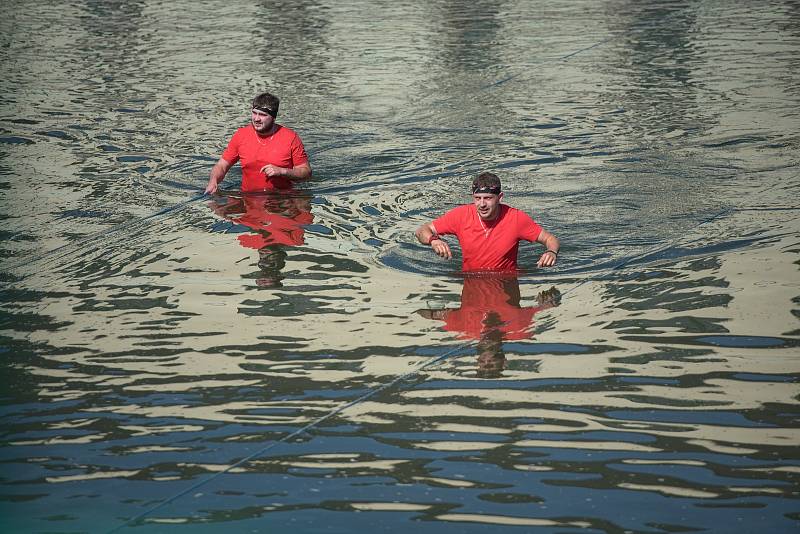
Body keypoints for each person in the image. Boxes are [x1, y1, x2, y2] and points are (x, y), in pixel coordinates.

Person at [415, 172, 560, 272]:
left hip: (506, 281)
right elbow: (421, 231)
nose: (482, 204)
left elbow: (550, 239)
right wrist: (434, 240)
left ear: (500, 197)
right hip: (471, 280)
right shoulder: (460, 216)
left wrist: (551, 252)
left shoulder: (516, 219)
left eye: (488, 198)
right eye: (477, 198)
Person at [205, 92, 312, 194]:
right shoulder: (241, 135)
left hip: (282, 199)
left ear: (273, 117)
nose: (256, 119)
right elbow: (222, 166)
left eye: (262, 115)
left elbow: (306, 172)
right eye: (254, 113)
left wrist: (282, 171)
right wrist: (213, 181)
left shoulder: (290, 137)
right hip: (248, 197)